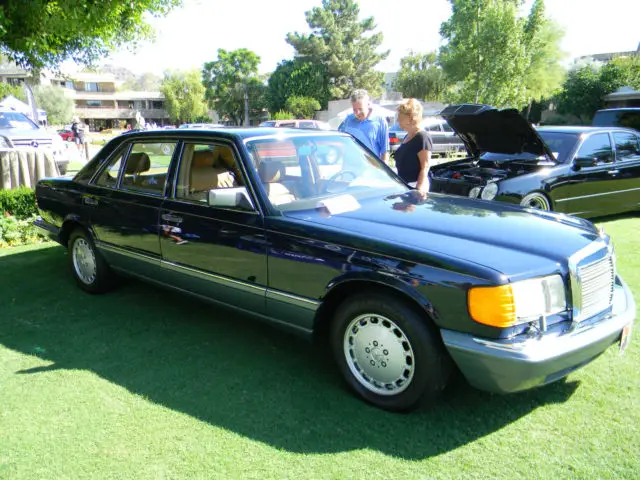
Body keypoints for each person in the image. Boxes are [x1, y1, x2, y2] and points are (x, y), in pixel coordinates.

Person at [338, 89, 389, 162]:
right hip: (350, 167)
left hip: (370, 169)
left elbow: (385, 151)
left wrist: (384, 172)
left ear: (368, 105)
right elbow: (340, 141)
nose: (357, 113)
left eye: (360, 109)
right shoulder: (348, 120)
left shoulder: (380, 121)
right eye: (354, 110)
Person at [394, 98, 432, 194]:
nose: (398, 119)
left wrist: (418, 191)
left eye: (400, 116)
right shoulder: (408, 136)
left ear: (410, 117)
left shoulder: (422, 137)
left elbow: (425, 167)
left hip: (415, 187)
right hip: (404, 186)